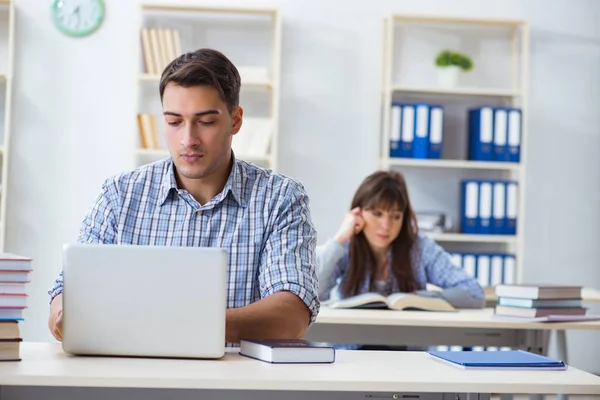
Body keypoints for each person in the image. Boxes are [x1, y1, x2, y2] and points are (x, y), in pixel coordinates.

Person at [47, 48, 320, 345]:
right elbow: (66, 291)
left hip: (233, 386)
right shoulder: (120, 195)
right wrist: (64, 314)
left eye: (205, 122)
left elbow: (291, 316)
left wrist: (172, 322)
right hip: (134, 382)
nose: (188, 139)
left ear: (236, 121)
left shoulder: (279, 199)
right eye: (174, 122)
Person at [317, 170, 485, 310]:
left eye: (395, 216)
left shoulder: (420, 248)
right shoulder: (345, 248)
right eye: (377, 214)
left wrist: (420, 298)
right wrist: (339, 238)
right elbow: (312, 293)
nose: (386, 226)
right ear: (358, 214)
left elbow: (474, 293)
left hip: (407, 347)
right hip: (351, 347)